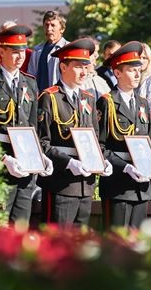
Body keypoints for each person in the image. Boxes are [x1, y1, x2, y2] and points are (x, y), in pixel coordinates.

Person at [37, 38, 111, 227]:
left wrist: (103, 161)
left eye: (86, 67)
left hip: (85, 184)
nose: (84, 72)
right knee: (58, 242)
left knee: (80, 244)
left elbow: (95, 139)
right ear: (63, 67)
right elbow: (42, 143)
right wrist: (68, 162)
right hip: (61, 183)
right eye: (79, 66)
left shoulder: (88, 98)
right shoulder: (50, 97)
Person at [96, 41, 151, 229]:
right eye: (131, 70)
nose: (137, 74)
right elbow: (100, 147)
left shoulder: (143, 104)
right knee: (117, 243)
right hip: (118, 184)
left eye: (138, 69)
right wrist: (125, 167)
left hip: (141, 186)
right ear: (117, 72)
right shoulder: (107, 102)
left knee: (138, 243)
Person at [0, 22, 52, 223]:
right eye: (14, 52)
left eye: (23, 51)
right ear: (1, 51)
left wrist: (40, 155)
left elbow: (33, 126)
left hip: (26, 165)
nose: (20, 57)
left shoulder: (29, 82)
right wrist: (3, 159)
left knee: (20, 225)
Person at [28, 11, 68, 93]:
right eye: (46, 25)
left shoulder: (68, 49)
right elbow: (30, 77)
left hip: (60, 99)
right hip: (39, 99)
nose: (49, 29)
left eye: (53, 25)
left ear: (62, 29)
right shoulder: (37, 50)